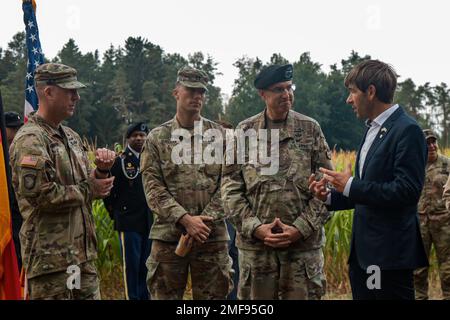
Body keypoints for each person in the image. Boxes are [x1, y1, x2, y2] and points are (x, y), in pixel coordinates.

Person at [309, 60, 428, 300]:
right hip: (365, 256)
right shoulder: (372, 130)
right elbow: (367, 193)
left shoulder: (407, 131)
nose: (348, 99)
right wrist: (330, 196)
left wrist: (351, 184)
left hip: (387, 257)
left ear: (371, 92)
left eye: (353, 91)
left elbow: (407, 191)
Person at [221, 64, 334, 300]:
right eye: (278, 89)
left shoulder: (309, 129)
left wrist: (299, 229)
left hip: (302, 251)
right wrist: (256, 228)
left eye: (289, 88)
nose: (287, 94)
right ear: (263, 94)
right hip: (257, 252)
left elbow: (327, 186)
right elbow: (230, 189)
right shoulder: (245, 132)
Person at [9, 63, 116, 300]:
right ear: (48, 92)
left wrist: (100, 171)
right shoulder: (30, 139)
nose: (76, 97)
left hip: (82, 258)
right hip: (51, 264)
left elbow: (88, 183)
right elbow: (40, 196)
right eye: (70, 91)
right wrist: (91, 188)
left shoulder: (72, 137)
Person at [140, 66, 232, 300]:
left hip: (211, 237)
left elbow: (230, 184)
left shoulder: (221, 136)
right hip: (169, 238)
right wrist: (185, 219)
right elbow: (153, 188)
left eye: (201, 91)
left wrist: (202, 222)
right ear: (176, 93)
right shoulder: (157, 138)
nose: (197, 96)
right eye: (191, 91)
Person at [103, 122, 153, 300]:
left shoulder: (150, 159)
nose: (139, 138)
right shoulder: (120, 161)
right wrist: (116, 213)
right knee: (131, 268)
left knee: (146, 266)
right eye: (135, 135)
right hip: (128, 222)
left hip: (147, 222)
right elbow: (108, 191)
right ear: (128, 138)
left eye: (142, 135)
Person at [4, 111, 24, 271]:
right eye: (13, 128)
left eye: (19, 128)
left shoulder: (20, 151)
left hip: (20, 217)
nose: (17, 132)